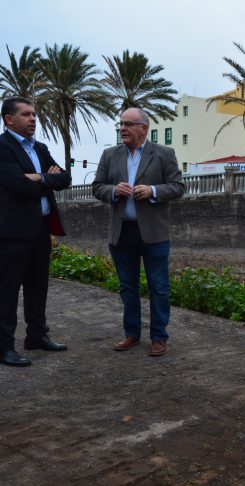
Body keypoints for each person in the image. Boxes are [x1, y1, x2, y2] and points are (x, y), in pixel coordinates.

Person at [92, 108, 184, 356]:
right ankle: (132, 334)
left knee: (159, 286)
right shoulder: (110, 155)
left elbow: (177, 186)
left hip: (154, 234)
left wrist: (153, 191)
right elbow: (97, 186)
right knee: (127, 287)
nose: (122, 128)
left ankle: (158, 337)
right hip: (122, 233)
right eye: (120, 124)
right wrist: (113, 191)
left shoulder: (164, 154)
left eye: (128, 124)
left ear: (144, 128)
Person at [0, 97, 72, 367]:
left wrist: (38, 177)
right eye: (26, 114)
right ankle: (2, 348)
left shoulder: (41, 148)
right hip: (10, 232)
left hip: (39, 229)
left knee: (38, 287)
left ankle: (36, 336)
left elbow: (65, 178)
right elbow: (17, 185)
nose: (33, 118)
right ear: (9, 119)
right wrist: (47, 177)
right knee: (6, 290)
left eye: (34, 114)